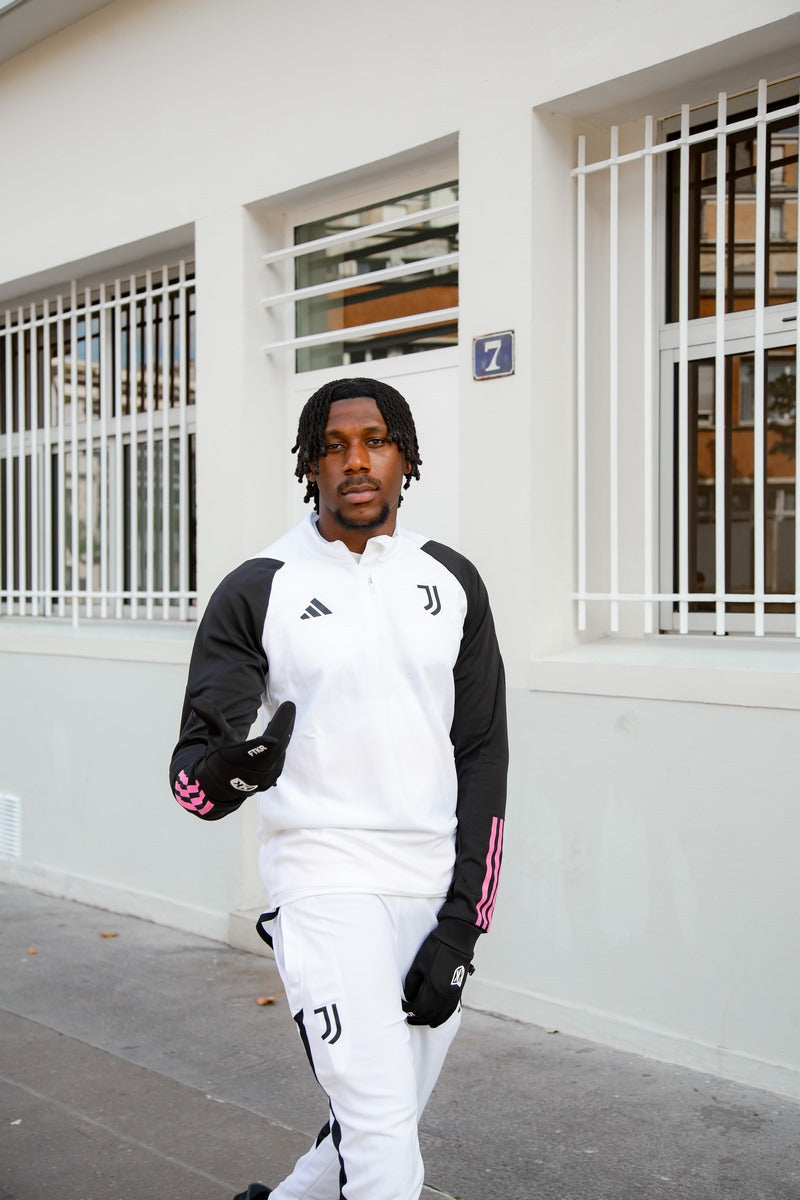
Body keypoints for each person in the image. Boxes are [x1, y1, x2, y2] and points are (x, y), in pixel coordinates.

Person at [169, 377, 508, 1200]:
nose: (356, 461)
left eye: (376, 440)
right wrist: (233, 772)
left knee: (371, 1128)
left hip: (430, 887)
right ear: (309, 464)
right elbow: (193, 780)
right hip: (324, 884)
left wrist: (464, 921)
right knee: (388, 1148)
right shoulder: (260, 586)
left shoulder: (452, 580)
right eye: (334, 445)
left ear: (407, 457)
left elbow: (484, 755)